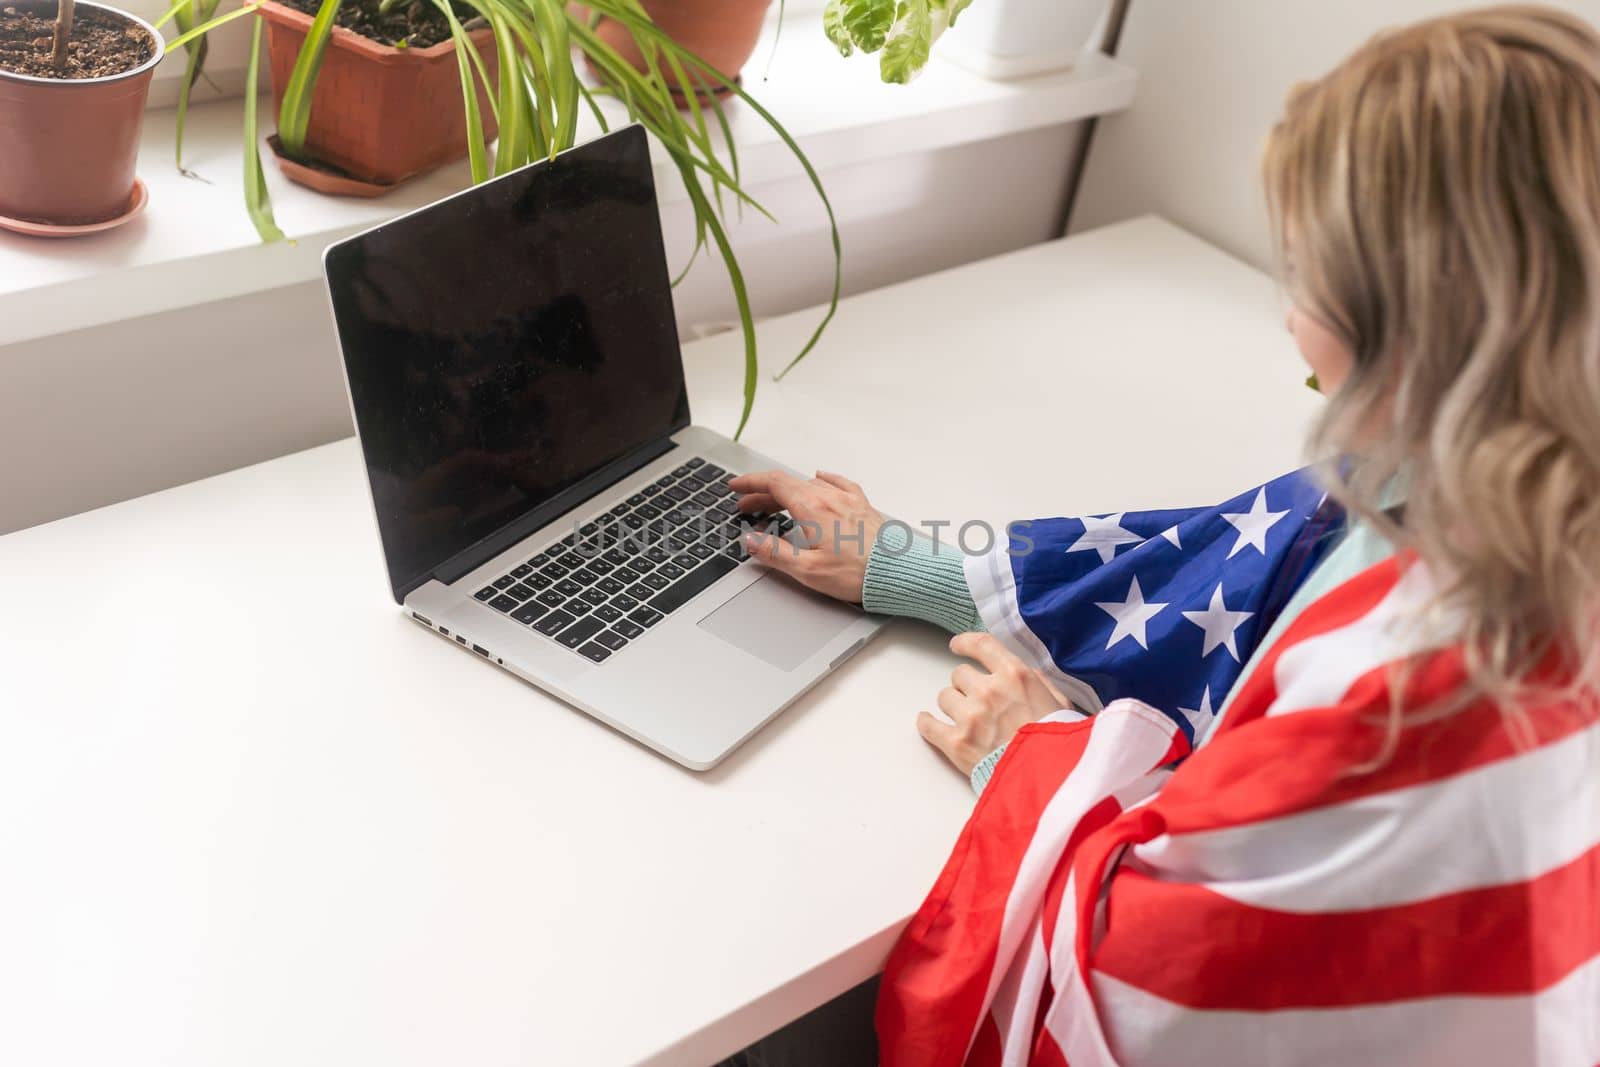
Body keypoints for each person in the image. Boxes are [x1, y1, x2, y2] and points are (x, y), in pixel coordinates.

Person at [724, 6, 1600, 1064]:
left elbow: (1142, 992)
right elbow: (1249, 566)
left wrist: (1027, 760)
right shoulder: (1510, 480)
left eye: (1307, 269)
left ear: (1405, 320)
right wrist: (912, 567)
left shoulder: (1418, 693)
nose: (1288, 313)